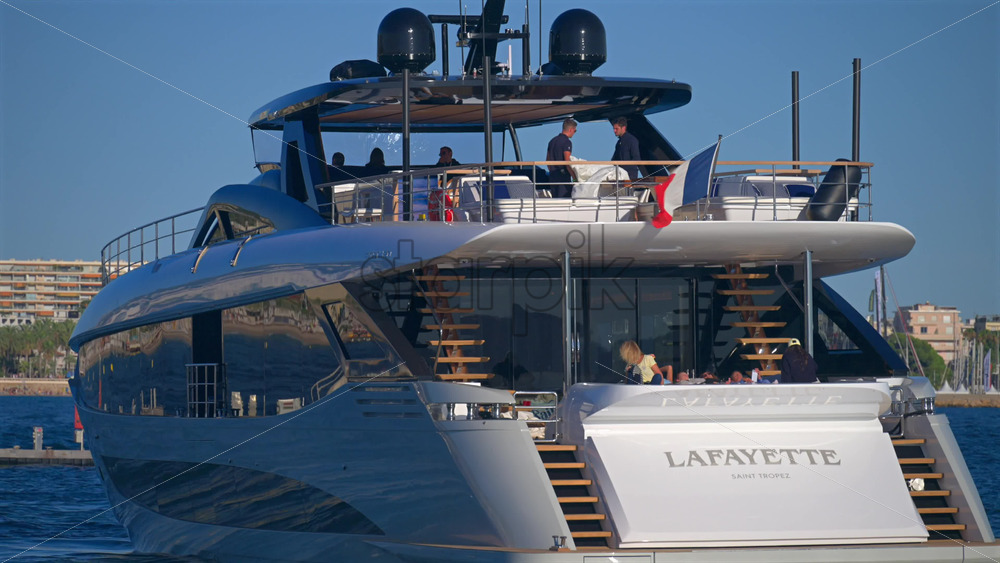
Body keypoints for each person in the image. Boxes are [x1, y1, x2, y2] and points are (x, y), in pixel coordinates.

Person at [546, 118, 577, 198]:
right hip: (563, 176)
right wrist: (574, 177)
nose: (574, 133)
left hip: (553, 176)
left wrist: (552, 171)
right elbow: (567, 162)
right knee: (565, 200)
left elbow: (547, 161)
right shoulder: (567, 142)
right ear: (571, 130)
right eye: (575, 131)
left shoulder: (552, 141)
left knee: (555, 200)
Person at [610, 116, 640, 181]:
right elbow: (614, 160)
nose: (614, 131)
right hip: (619, 175)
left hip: (629, 176)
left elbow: (636, 158)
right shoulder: (619, 143)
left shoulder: (632, 140)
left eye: (616, 129)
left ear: (623, 128)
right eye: (614, 129)